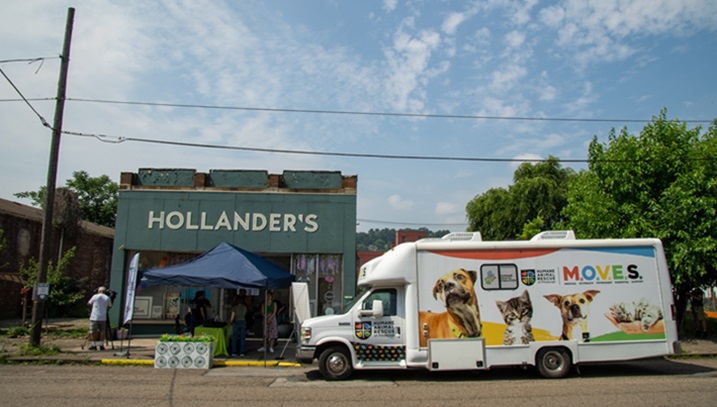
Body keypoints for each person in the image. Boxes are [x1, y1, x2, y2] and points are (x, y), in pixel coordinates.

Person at [87, 286, 112, 351]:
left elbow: (89, 303)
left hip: (94, 316)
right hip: (103, 317)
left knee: (93, 331)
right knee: (102, 331)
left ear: (99, 291)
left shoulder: (95, 296)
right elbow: (109, 306)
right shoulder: (107, 298)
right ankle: (101, 345)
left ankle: (94, 345)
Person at [229, 289, 248, 356]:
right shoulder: (245, 307)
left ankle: (234, 352)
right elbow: (245, 314)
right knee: (242, 338)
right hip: (243, 321)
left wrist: (230, 322)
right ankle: (242, 352)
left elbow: (232, 317)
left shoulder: (234, 308)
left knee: (235, 337)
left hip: (236, 322)